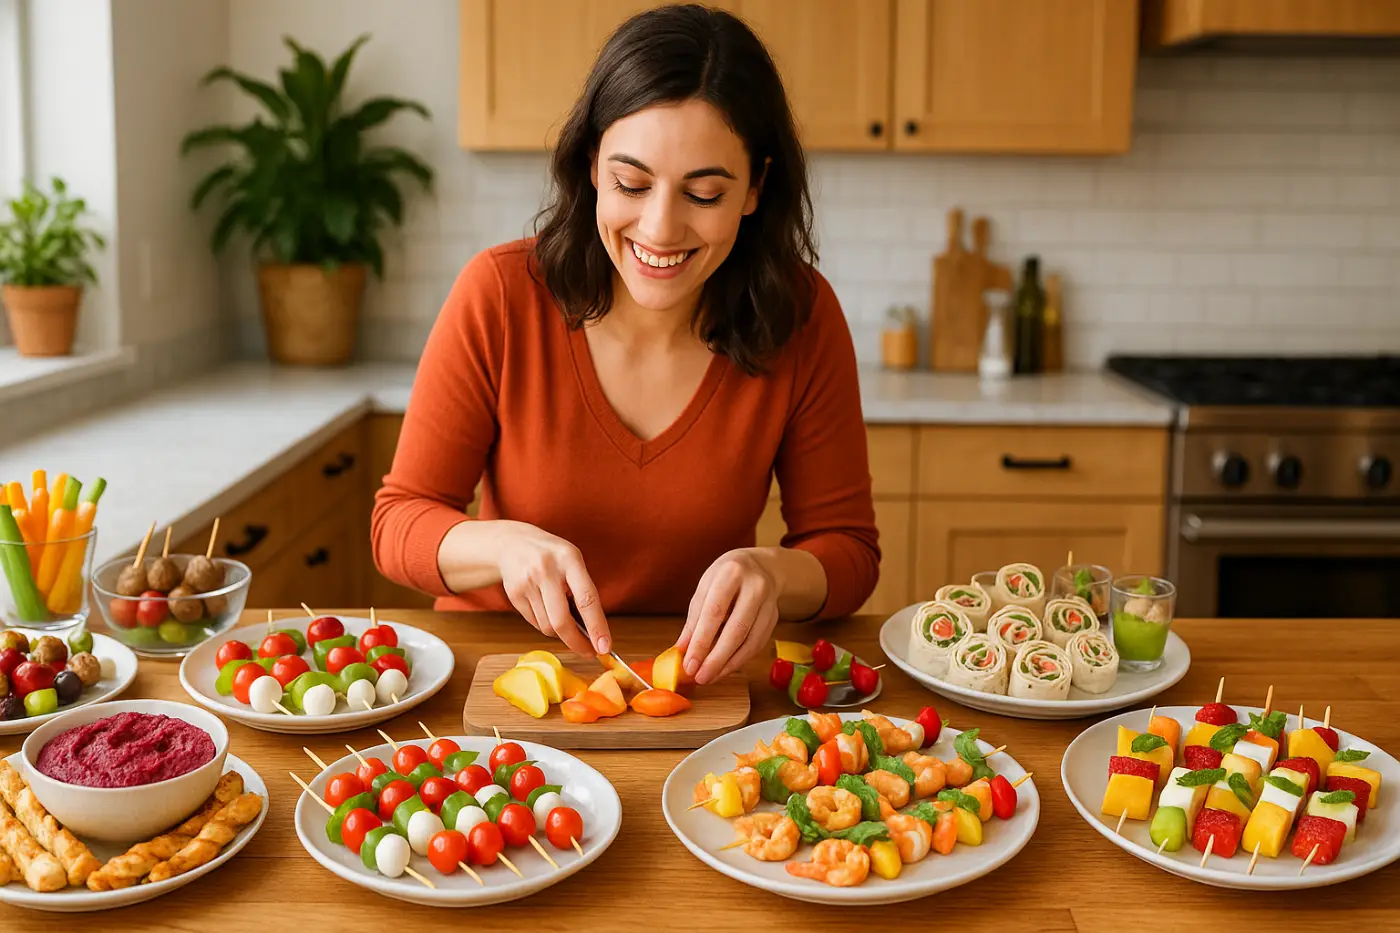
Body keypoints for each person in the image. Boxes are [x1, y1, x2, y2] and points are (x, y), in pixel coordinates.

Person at [372, 4, 877, 685]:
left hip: (698, 688)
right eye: (631, 184)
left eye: (704, 193)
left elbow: (849, 552)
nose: (660, 228)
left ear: (755, 188)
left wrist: (771, 573)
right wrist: (501, 545)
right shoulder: (500, 295)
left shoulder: (802, 315)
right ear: (591, 164)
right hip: (499, 677)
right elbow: (397, 524)